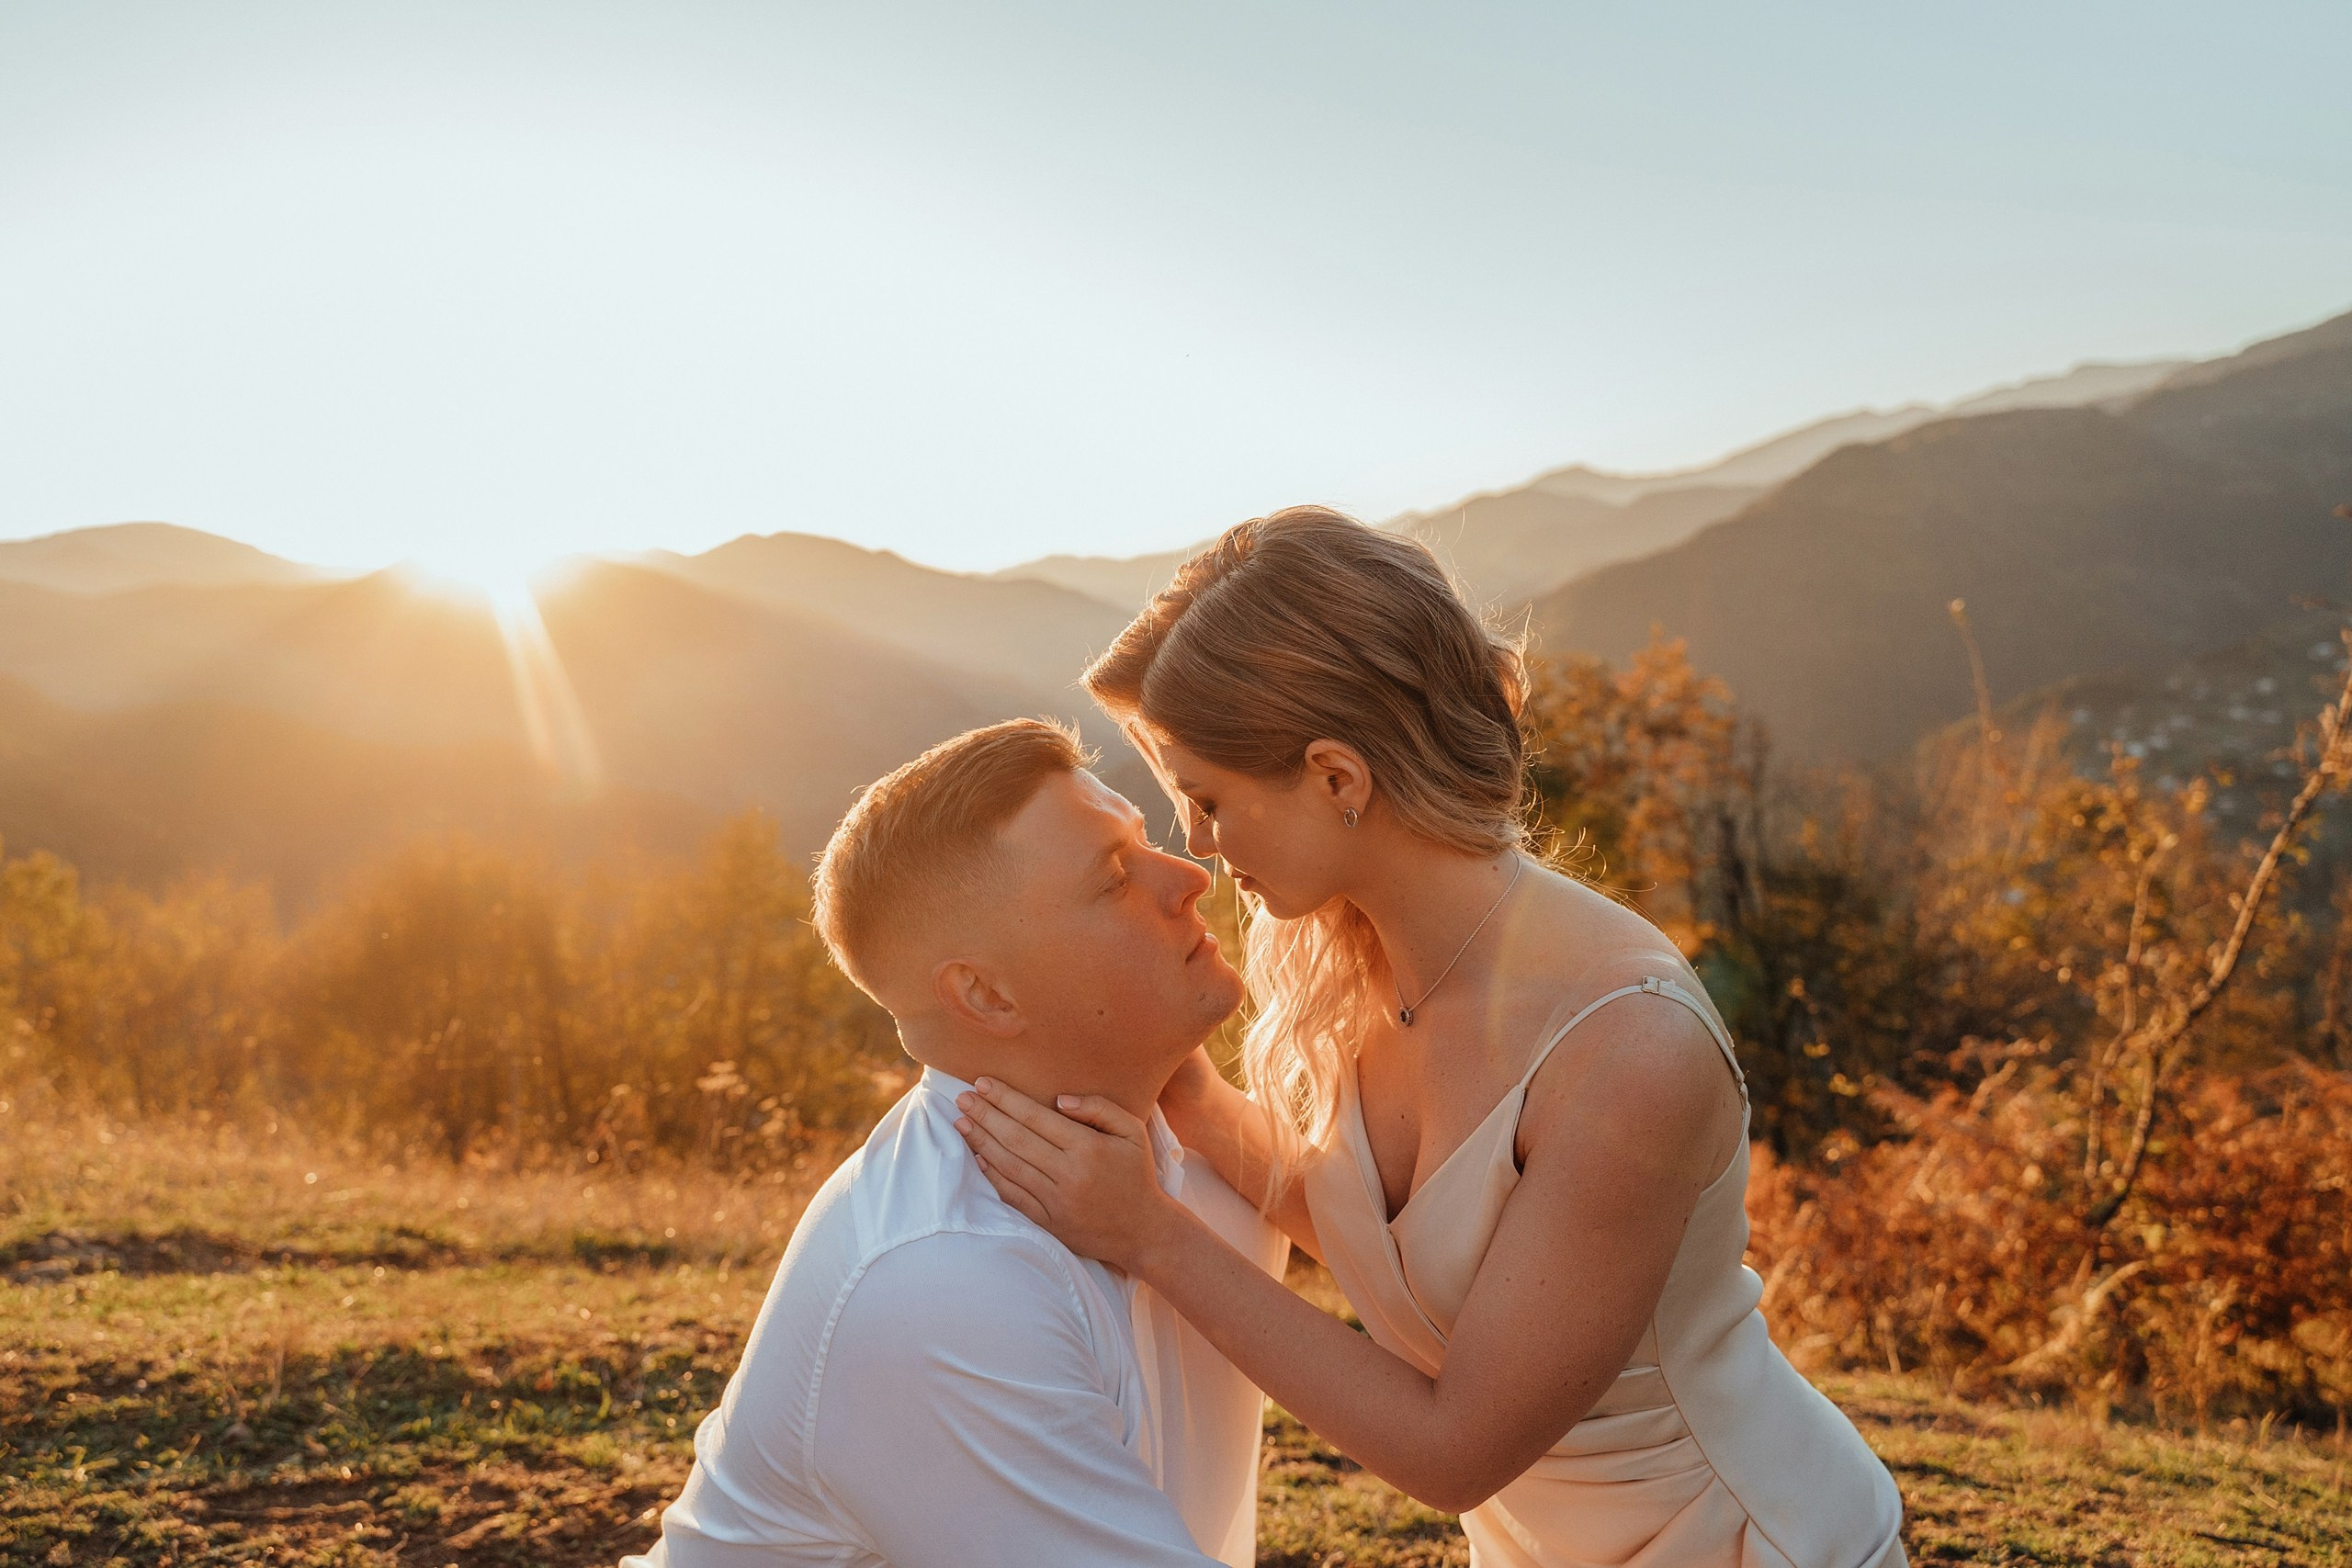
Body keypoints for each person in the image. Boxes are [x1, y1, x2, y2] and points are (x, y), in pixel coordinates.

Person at [955, 508, 1907, 1567]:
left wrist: (1148, 1236)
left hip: (1740, 1543)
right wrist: (1173, 1084)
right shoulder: (1350, 959)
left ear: (1336, 778)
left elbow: (1455, 1450)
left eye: (1207, 798)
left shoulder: (1629, 1052)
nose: (1199, 845)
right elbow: (1383, 1237)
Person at [624, 718, 1287, 1568]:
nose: (1191, 876)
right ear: (986, 994)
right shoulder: (944, 1279)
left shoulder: (1194, 1145)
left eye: (1144, 840)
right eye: (1114, 879)